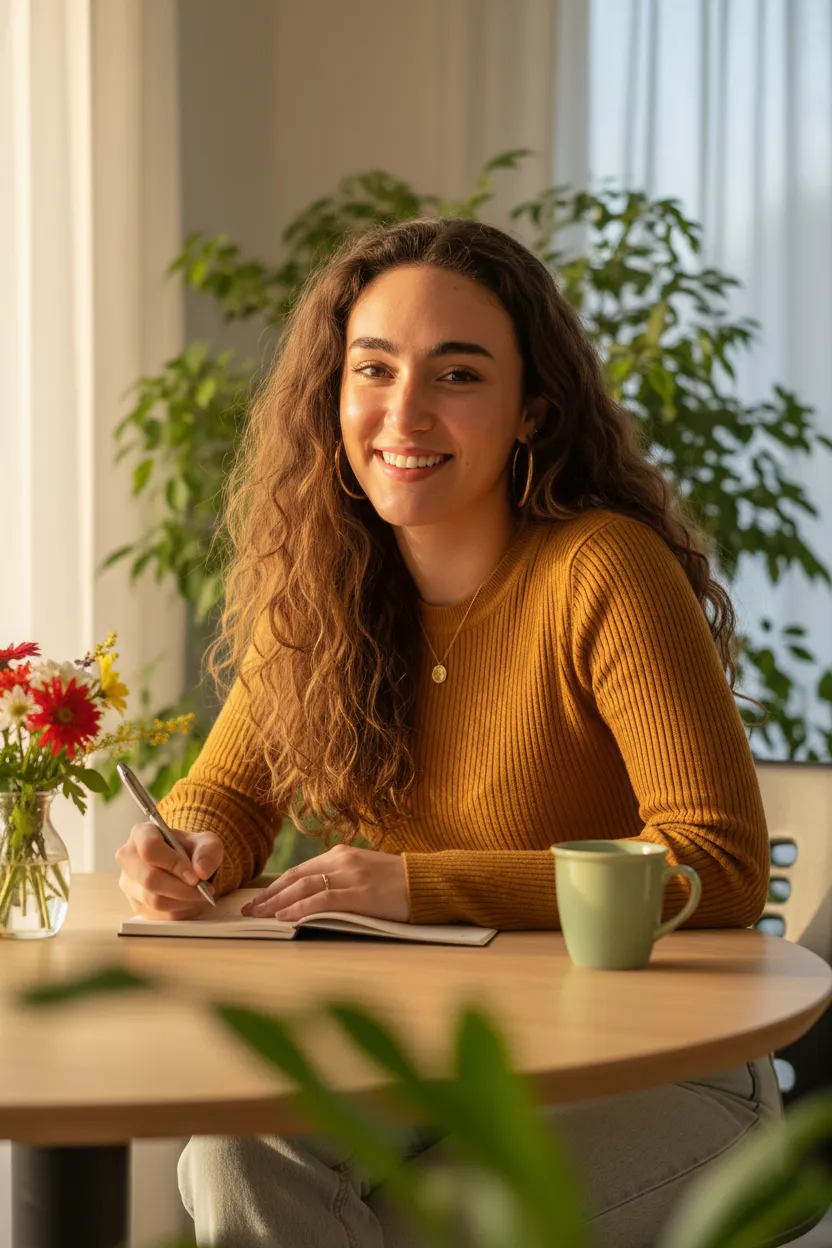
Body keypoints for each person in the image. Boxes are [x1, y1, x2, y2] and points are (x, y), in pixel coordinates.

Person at [115, 218, 779, 1248]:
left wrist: (423, 884)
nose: (403, 411)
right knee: (234, 1152)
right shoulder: (325, 589)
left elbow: (720, 865)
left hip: (661, 1066)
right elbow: (230, 794)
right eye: (371, 369)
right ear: (334, 396)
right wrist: (187, 845)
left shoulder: (603, 572)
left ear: (531, 411)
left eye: (456, 375)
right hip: (437, 1051)